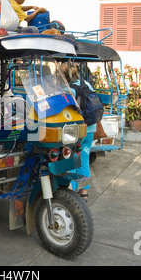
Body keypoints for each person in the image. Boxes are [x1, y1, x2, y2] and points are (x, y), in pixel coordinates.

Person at [62, 62, 96, 202]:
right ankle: (84, 193)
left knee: (70, 160)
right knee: (84, 160)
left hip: (76, 130)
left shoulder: (67, 89)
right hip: (90, 128)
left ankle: (71, 192)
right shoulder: (86, 84)